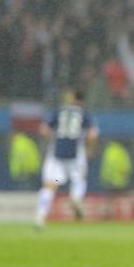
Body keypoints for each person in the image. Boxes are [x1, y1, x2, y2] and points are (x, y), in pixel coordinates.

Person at [35, 90, 99, 228]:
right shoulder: (84, 113)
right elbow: (92, 135)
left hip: (57, 152)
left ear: (72, 98)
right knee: (78, 180)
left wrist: (54, 139)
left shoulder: (59, 111)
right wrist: (91, 150)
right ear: (82, 100)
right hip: (76, 153)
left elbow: (44, 129)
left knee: (51, 185)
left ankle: (40, 216)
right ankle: (76, 197)